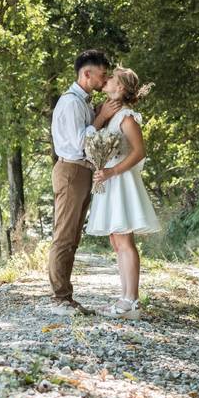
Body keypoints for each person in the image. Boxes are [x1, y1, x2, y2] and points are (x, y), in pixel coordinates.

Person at [48, 49, 121, 315]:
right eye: (102, 75)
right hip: (71, 171)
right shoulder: (70, 102)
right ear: (86, 73)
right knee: (64, 236)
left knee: (73, 236)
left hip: (81, 171)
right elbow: (81, 142)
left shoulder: (84, 102)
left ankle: (66, 296)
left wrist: (99, 115)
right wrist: (100, 118)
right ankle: (59, 299)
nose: (104, 80)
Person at [87, 66, 162, 320]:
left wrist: (112, 171)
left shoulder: (127, 117)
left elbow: (139, 152)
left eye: (110, 79)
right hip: (109, 178)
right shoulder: (110, 115)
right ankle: (125, 299)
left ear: (120, 88)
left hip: (120, 180)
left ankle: (132, 301)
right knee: (116, 241)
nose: (105, 80)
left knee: (125, 240)